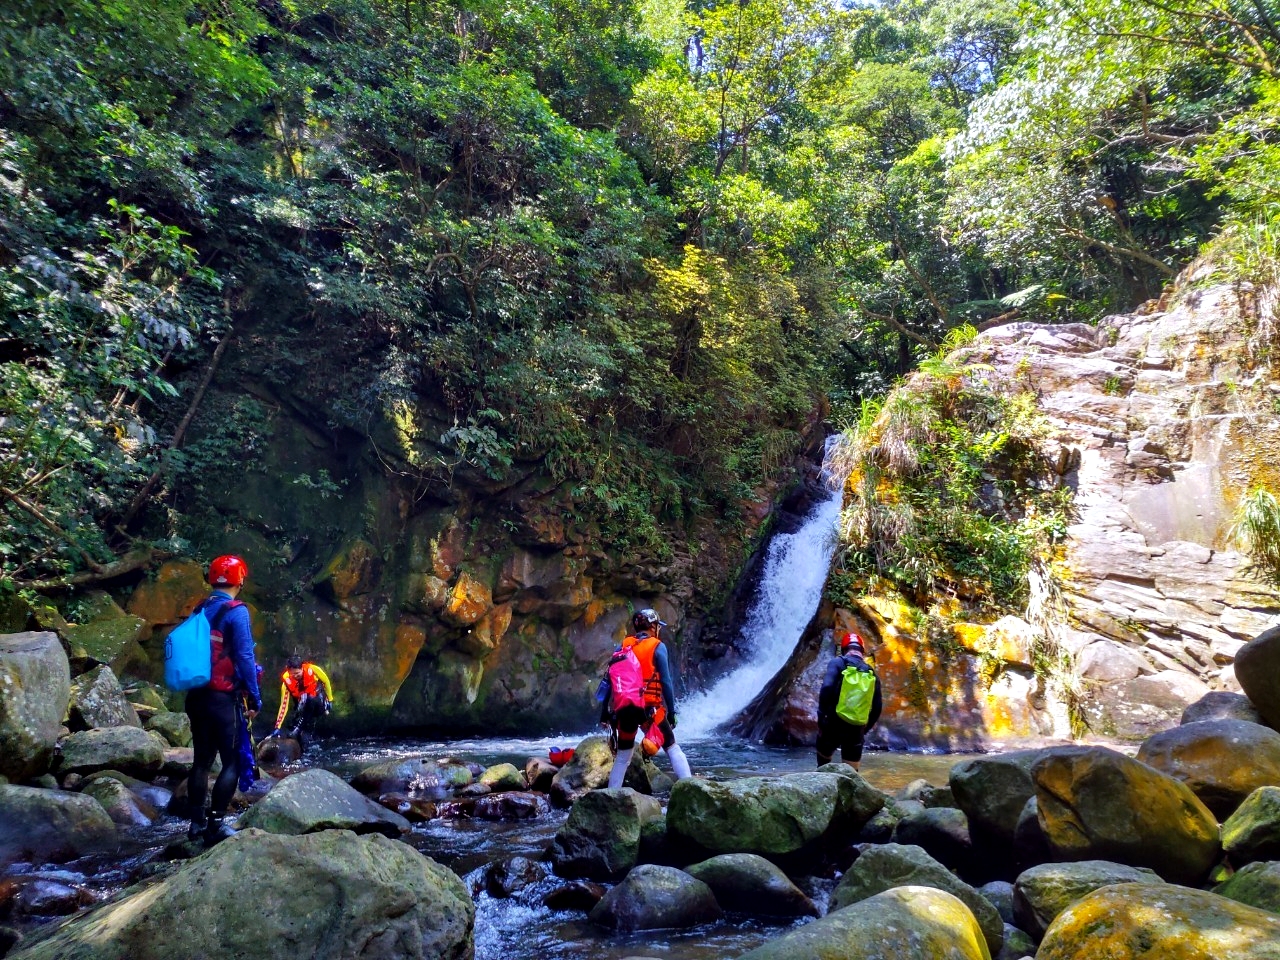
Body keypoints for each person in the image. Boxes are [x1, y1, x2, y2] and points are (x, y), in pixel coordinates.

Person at [185, 554, 262, 845]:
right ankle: (216, 825)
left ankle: (196, 824)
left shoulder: (200, 607)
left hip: (196, 696)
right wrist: (255, 697)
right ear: (240, 579)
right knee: (230, 761)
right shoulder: (236, 611)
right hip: (222, 699)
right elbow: (244, 655)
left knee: (201, 761)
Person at [602, 608, 693, 788]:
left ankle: (611, 796)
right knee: (672, 748)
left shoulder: (624, 645)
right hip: (649, 708)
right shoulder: (657, 646)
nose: (658, 629)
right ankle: (691, 789)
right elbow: (666, 681)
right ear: (653, 626)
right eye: (657, 626)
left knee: (622, 757)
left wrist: (604, 712)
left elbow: (610, 679)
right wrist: (672, 711)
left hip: (625, 708)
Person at [816, 631, 883, 771]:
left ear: (844, 649)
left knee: (822, 767)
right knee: (852, 776)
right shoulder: (871, 673)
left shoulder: (837, 663)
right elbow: (877, 708)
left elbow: (827, 688)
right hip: (855, 728)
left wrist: (822, 718)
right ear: (862, 651)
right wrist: (864, 728)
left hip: (832, 724)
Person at [272, 655, 333, 747]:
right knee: (295, 723)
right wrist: (277, 726)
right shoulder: (286, 684)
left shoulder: (313, 669)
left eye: (297, 673)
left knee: (311, 698)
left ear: (302, 668)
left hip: (318, 704)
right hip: (304, 708)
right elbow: (284, 705)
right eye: (293, 674)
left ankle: (298, 729)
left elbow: (326, 681)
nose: (295, 676)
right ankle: (300, 738)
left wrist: (330, 699)